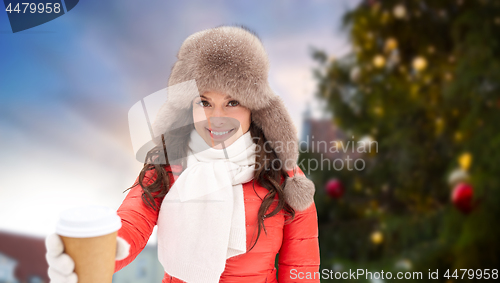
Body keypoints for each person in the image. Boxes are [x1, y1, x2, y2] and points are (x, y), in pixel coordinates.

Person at [45, 25, 320, 283]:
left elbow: (301, 268)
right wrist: (96, 254)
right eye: (205, 102)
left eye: (233, 102)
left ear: (255, 108)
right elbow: (132, 222)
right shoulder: (167, 167)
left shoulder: (285, 178)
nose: (217, 117)